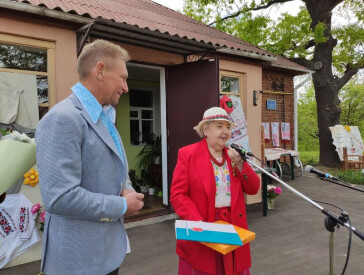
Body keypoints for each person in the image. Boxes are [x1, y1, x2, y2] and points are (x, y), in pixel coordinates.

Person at [36, 40, 144, 275]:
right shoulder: (62, 119)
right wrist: (122, 204)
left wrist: (125, 188)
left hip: (106, 255)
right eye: (122, 78)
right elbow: (60, 197)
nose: (126, 87)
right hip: (77, 262)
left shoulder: (105, 115)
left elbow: (116, 167)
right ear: (100, 70)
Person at [170, 107, 260, 275]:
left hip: (232, 225)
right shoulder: (187, 154)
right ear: (205, 129)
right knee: (204, 268)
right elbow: (178, 194)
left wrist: (241, 164)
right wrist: (198, 223)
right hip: (203, 223)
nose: (225, 131)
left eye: (228, 127)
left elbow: (254, 188)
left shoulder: (233, 156)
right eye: (219, 126)